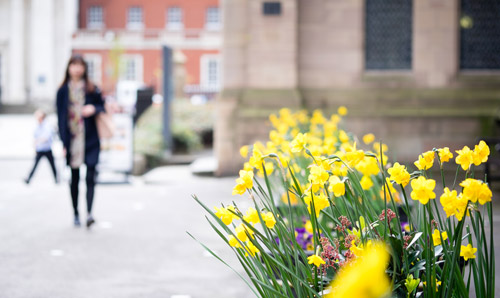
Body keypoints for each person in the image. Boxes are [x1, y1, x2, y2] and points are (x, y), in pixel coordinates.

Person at [56, 55, 104, 228]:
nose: (77, 69)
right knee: (74, 178)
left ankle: (89, 213)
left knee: (91, 176)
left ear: (84, 68)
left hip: (90, 139)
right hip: (73, 140)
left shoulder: (92, 89)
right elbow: (60, 119)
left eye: (80, 65)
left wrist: (93, 108)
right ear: (68, 68)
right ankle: (76, 212)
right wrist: (63, 143)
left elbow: (102, 106)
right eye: (73, 65)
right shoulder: (62, 91)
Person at [24, 109, 58, 184]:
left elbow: (47, 137)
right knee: (35, 165)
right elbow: (35, 137)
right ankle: (28, 178)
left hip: (47, 149)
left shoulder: (47, 125)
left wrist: (38, 141)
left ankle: (56, 179)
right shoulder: (37, 125)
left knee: (52, 165)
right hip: (40, 149)